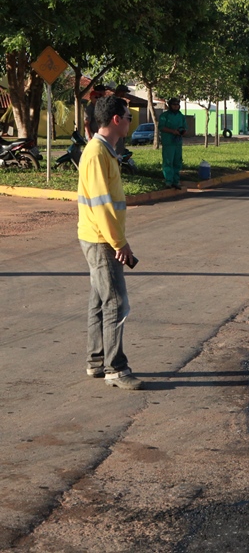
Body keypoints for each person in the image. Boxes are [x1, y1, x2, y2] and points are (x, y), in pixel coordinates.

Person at [77, 95, 142, 390]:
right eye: (128, 116)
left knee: (100, 300)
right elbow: (102, 205)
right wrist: (119, 243)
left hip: (100, 236)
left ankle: (96, 361)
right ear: (116, 119)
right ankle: (116, 368)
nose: (130, 121)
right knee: (116, 302)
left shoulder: (104, 151)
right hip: (102, 239)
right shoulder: (97, 153)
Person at [158, 97, 187, 189]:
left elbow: (185, 127)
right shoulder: (164, 115)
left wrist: (182, 132)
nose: (176, 106)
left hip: (177, 142)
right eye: (174, 105)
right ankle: (168, 181)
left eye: (177, 105)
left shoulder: (181, 116)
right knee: (168, 161)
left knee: (177, 162)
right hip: (168, 142)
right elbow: (161, 127)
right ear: (170, 105)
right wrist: (172, 131)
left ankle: (176, 181)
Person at [113, 85, 131, 159]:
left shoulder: (120, 101)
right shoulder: (113, 101)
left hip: (121, 126)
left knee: (121, 146)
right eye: (124, 92)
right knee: (118, 147)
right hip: (115, 126)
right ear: (120, 92)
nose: (125, 94)